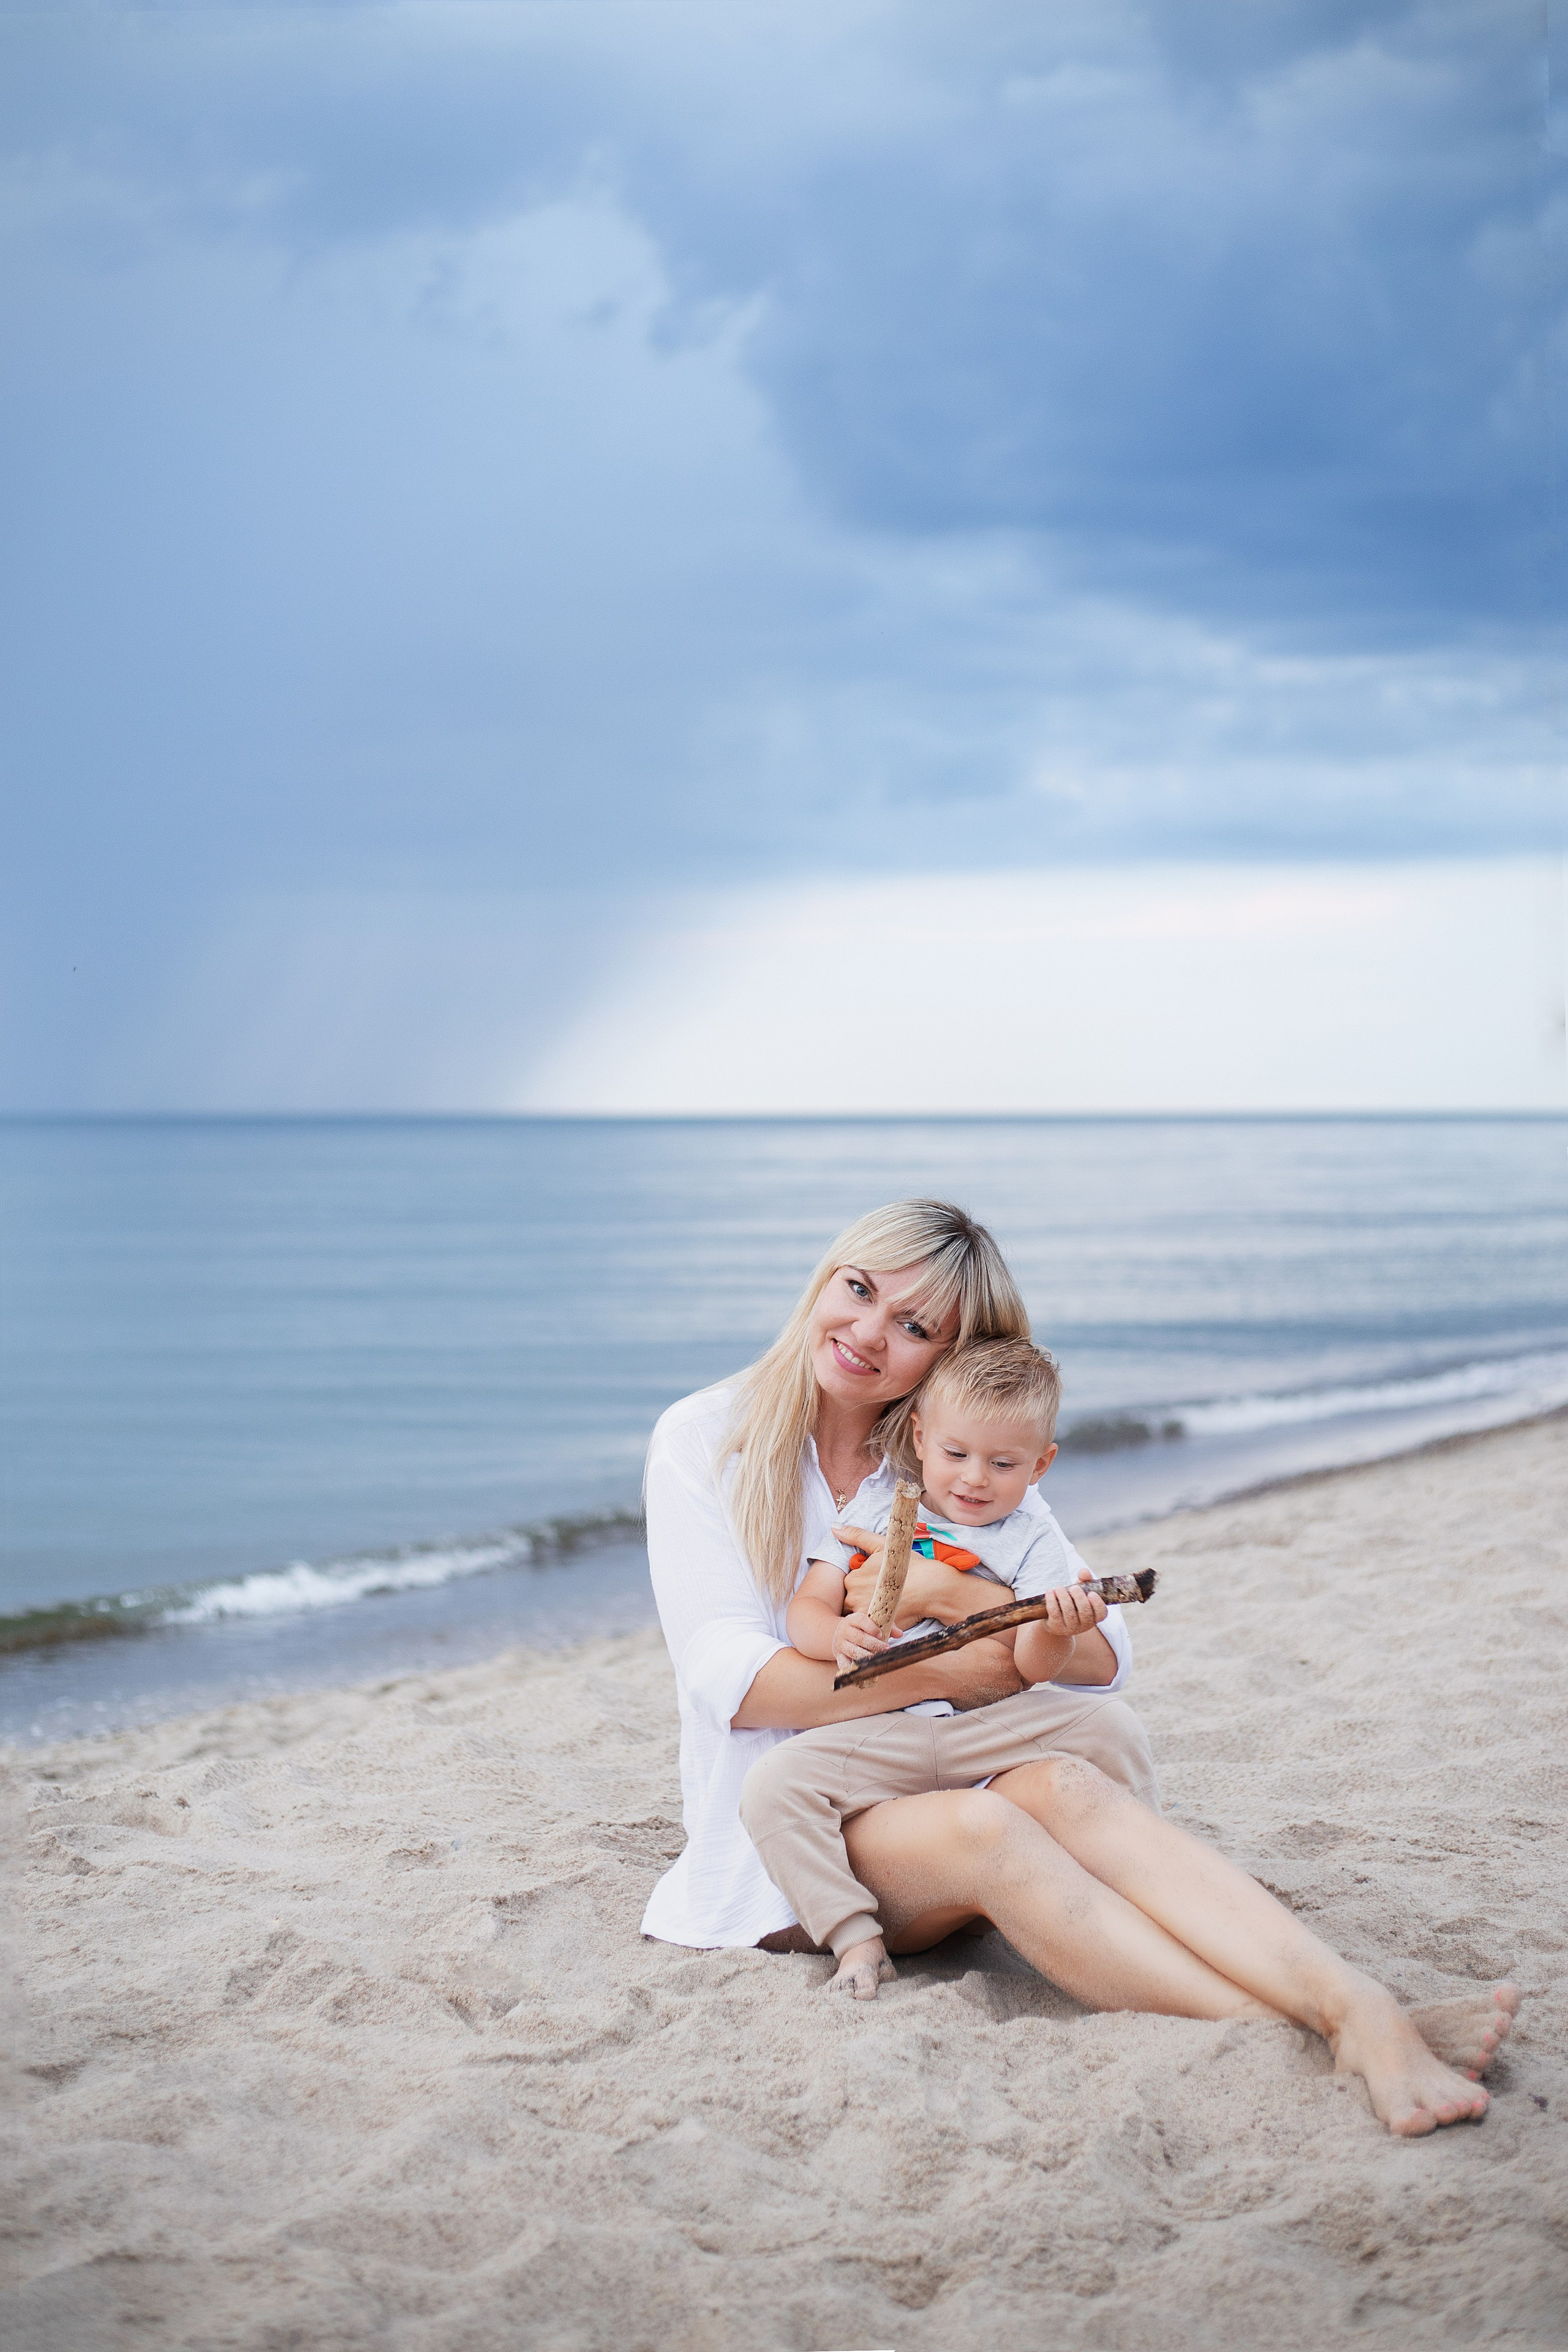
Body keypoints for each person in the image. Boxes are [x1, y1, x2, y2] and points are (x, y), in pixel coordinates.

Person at [640, 1197, 1518, 2136]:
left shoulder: (955, 1452)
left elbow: (1101, 1657)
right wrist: (957, 1674)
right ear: (826, 1278)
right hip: (800, 1842)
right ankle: (1335, 2027)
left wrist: (950, 1600)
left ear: (951, 1357)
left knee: (1064, 1779)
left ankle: (1357, 2004)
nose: (866, 1334)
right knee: (985, 1822)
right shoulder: (709, 1437)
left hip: (952, 1778)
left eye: (913, 1327)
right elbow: (736, 1683)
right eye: (857, 1290)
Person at [747, 1333, 1134, 2000]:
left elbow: (1032, 1667)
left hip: (987, 1727)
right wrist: (835, 1635)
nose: (975, 1478)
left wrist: (1054, 1628)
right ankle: (853, 1936)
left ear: (1039, 1466)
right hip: (885, 1725)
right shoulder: (878, 1505)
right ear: (920, 1439)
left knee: (1110, 1724)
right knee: (773, 1786)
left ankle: (1135, 1870)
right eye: (956, 1454)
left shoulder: (1033, 1537)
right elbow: (805, 1608)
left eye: (1003, 1463)